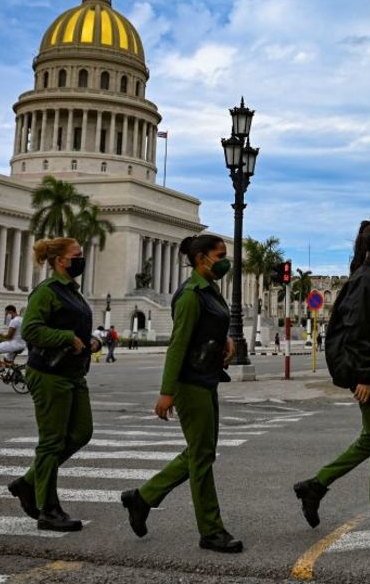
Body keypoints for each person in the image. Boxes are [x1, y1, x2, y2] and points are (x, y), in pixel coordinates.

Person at [293, 219, 370, 541]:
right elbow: (356, 331)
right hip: (366, 367)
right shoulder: (365, 279)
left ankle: (315, 486)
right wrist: (364, 375)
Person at [120, 234, 242, 553]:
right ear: (201, 258)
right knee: (201, 457)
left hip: (208, 378)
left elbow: (210, 326)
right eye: (220, 254)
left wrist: (225, 339)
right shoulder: (190, 295)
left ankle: (142, 498)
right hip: (190, 383)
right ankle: (211, 530)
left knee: (201, 452)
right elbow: (178, 345)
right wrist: (166, 392)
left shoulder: (210, 289)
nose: (225, 260)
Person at [8, 237, 98, 532]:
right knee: (51, 442)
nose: (81, 259)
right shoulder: (46, 291)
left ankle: (29, 481)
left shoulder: (72, 291)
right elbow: (32, 329)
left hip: (73, 373)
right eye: (77, 255)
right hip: (49, 373)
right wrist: (66, 338)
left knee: (81, 432)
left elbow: (74, 329)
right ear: (60, 260)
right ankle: (48, 509)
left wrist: (91, 341)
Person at [0, 305, 25, 372]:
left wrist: (1, 335)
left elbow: (9, 337)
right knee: (7, 360)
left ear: (11, 311)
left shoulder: (14, 321)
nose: (7, 316)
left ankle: (0, 368)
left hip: (15, 344)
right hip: (22, 344)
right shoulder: (22, 319)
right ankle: (17, 374)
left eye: (6, 314)